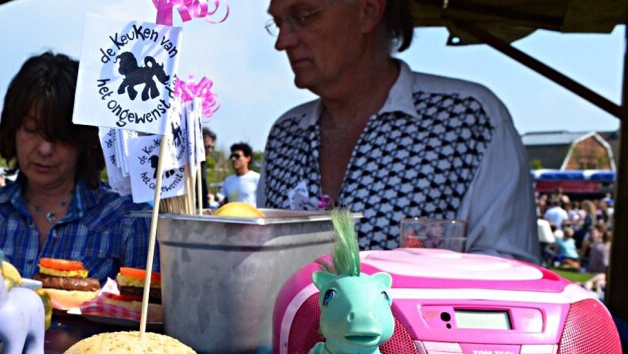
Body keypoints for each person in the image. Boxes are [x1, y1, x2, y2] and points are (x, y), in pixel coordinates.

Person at [259, 0, 539, 264]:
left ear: (367, 11)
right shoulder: (287, 134)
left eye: (303, 15)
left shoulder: (464, 119)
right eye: (279, 22)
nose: (282, 41)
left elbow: (509, 275)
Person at [0, 51, 156, 281]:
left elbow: (144, 306)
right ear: (12, 130)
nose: (45, 149)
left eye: (60, 136)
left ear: (85, 140)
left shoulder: (127, 218)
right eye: (32, 130)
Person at [200, 127, 217, 209]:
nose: (210, 150)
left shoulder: (203, 164)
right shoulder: (189, 165)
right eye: (207, 147)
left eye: (212, 148)